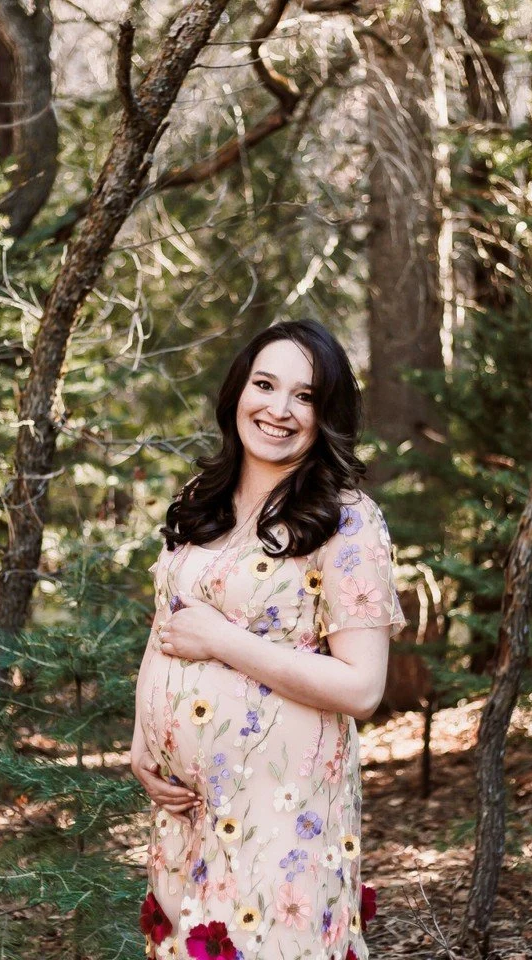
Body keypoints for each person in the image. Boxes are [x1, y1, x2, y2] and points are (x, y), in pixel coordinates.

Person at [131, 319, 407, 960]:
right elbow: (166, 627)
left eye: (305, 396)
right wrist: (142, 738)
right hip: (187, 810)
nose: (278, 410)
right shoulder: (202, 498)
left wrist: (225, 640)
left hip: (281, 811)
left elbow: (362, 687)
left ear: (326, 414)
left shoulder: (346, 520)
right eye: (265, 384)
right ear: (238, 393)